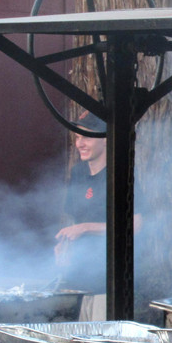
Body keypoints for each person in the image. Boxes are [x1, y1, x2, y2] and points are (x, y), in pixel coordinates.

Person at [54, 111, 140, 321]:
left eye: (87, 136)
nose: (80, 143)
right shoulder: (78, 172)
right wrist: (65, 246)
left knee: (101, 342)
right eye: (77, 137)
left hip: (107, 284)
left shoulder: (120, 174)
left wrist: (85, 228)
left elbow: (136, 225)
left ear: (105, 139)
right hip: (79, 282)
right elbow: (75, 220)